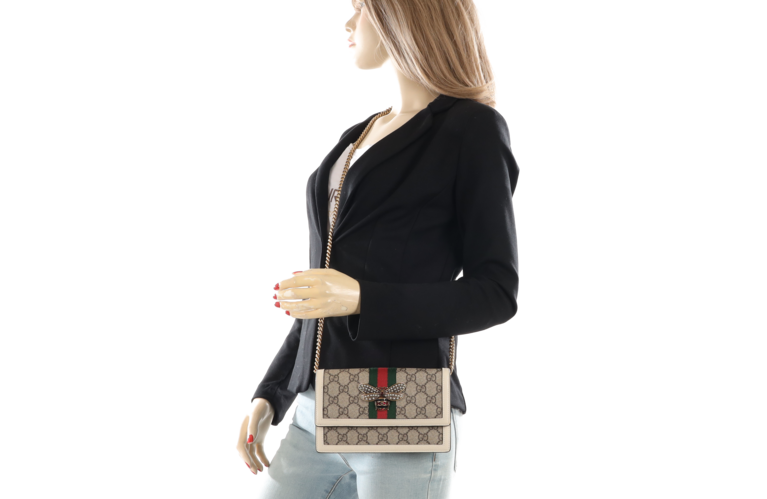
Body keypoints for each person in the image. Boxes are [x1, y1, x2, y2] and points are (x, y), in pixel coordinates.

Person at [235, 1, 518, 497]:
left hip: (400, 402)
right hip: (314, 406)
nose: (348, 24)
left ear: (401, 16)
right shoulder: (363, 132)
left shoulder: (471, 129)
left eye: (360, 9)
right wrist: (273, 392)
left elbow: (496, 292)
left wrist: (362, 298)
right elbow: (328, 291)